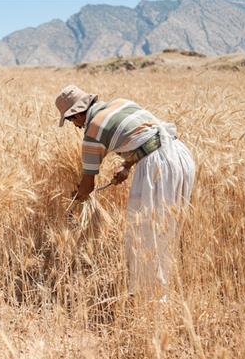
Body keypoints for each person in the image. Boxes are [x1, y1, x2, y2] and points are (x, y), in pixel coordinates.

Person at [55, 85, 195, 302]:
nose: (76, 126)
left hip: (158, 166)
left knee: (145, 233)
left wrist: (75, 201)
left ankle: (152, 298)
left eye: (73, 121)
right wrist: (128, 165)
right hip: (181, 157)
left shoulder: (92, 131)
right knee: (168, 228)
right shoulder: (121, 103)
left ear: (78, 113)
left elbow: (88, 184)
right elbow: (152, 137)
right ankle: (162, 292)